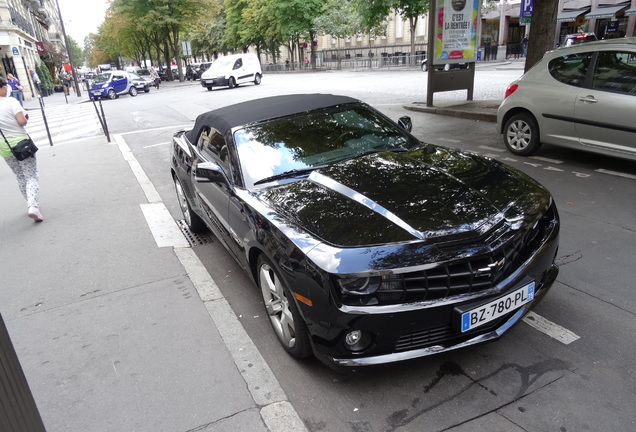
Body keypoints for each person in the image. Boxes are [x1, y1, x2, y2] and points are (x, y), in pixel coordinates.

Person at [0, 77, 42, 222]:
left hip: (4, 147)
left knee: (19, 175)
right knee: (31, 175)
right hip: (20, 143)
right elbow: (21, 121)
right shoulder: (11, 101)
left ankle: (30, 203)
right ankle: (33, 206)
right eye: (5, 86)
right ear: (2, 87)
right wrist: (24, 118)